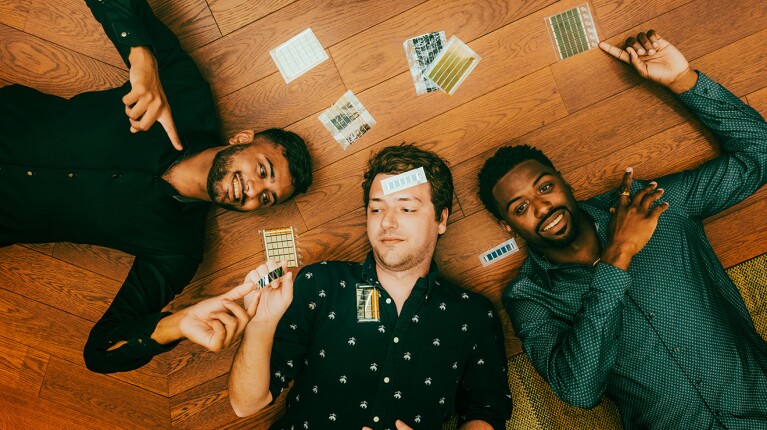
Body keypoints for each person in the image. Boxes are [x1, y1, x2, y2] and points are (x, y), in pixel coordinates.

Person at [0, 0, 313, 374]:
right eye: (262, 170)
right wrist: (142, 57)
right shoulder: (186, 93)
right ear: (242, 139)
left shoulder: (178, 251)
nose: (252, 191)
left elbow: (101, 352)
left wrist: (175, 324)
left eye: (265, 198)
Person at [476, 29, 767, 429]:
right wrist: (618, 257)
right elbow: (579, 390)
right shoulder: (530, 297)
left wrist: (684, 82)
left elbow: (759, 155)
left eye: (545, 187)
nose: (542, 206)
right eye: (521, 206)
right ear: (509, 225)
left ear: (565, 182)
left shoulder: (656, 204)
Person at [229, 145, 512, 429]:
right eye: (376, 208)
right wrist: (260, 323)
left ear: (441, 219)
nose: (387, 222)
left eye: (407, 208)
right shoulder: (321, 283)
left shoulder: (473, 315)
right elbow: (245, 404)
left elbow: (487, 412)